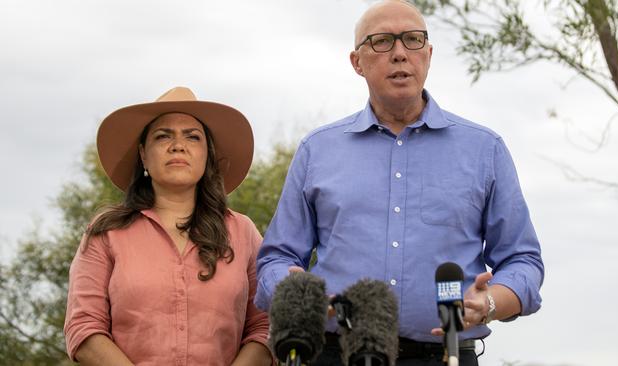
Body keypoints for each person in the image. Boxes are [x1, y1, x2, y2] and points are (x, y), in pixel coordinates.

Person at [254, 1, 544, 365]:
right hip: (334, 353)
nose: (400, 54)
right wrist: (294, 290)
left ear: (429, 54)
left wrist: (488, 303)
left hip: (445, 355)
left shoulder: (485, 149)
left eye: (412, 39)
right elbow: (276, 258)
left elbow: (523, 261)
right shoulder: (317, 150)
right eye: (382, 42)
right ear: (356, 62)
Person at [64, 87, 272, 366]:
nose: (178, 145)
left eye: (192, 137)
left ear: (207, 155)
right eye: (163, 136)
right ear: (143, 155)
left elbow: (266, 326)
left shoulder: (243, 232)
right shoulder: (106, 233)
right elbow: (84, 326)